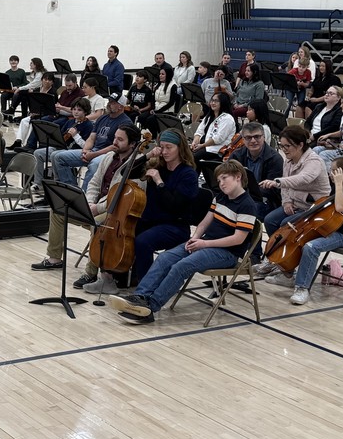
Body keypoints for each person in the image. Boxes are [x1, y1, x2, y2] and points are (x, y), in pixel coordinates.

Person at [111, 160, 259, 323]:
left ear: (238, 177)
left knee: (182, 266)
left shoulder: (247, 205)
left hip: (227, 253)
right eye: (219, 180)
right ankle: (140, 297)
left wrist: (204, 244)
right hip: (205, 243)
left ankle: (150, 308)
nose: (221, 183)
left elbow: (238, 239)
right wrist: (195, 238)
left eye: (224, 178)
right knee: (164, 258)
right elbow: (204, 222)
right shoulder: (221, 197)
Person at [36, 125, 144, 293]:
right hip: (93, 206)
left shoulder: (138, 165)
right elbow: (94, 182)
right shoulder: (109, 156)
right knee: (58, 211)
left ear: (133, 144)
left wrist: (98, 208)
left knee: (98, 225)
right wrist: (88, 203)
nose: (115, 142)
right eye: (115, 137)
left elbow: (125, 198)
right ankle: (55, 258)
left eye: (120, 139)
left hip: (112, 213)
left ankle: (91, 274)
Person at [262, 157, 343, 306]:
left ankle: (302, 287)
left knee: (311, 247)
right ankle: (288, 274)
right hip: (328, 229)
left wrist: (338, 184)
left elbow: (340, 207)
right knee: (286, 223)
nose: (330, 173)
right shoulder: (338, 185)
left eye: (334, 171)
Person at [125, 129, 200, 288]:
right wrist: (147, 155)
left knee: (143, 241)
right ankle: (122, 275)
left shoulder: (188, 174)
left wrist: (159, 183)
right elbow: (126, 172)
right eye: (162, 147)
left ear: (180, 148)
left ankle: (145, 286)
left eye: (169, 147)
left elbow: (175, 206)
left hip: (175, 226)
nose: (164, 151)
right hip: (152, 221)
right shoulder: (158, 165)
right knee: (125, 231)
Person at [254, 125, 331, 243]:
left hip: (313, 208)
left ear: (300, 145)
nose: (284, 149)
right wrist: (286, 202)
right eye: (281, 145)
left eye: (287, 146)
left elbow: (303, 178)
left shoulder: (314, 161)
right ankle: (277, 253)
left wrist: (277, 182)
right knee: (269, 220)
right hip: (295, 205)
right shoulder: (289, 161)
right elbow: (286, 187)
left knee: (286, 224)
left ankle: (290, 257)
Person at [42, 93, 133, 191]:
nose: (109, 104)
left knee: (94, 164)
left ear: (120, 106)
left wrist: (93, 154)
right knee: (57, 156)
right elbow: (91, 138)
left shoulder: (125, 123)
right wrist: (85, 150)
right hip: (93, 150)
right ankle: (71, 190)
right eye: (109, 101)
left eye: (113, 102)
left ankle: (86, 197)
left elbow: (115, 147)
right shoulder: (103, 118)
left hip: (109, 154)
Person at [227, 121, 283, 224]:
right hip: (240, 196)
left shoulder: (275, 159)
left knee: (244, 211)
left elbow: (272, 190)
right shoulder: (236, 155)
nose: (253, 141)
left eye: (257, 137)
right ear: (243, 139)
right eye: (248, 138)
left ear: (263, 137)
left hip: (265, 201)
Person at [190, 91, 236, 162]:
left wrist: (202, 146)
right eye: (212, 100)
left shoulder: (227, 118)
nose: (213, 103)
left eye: (216, 101)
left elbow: (218, 139)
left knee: (193, 157)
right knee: (185, 154)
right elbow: (199, 131)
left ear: (223, 103)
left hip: (217, 149)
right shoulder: (209, 117)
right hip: (204, 146)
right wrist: (194, 142)